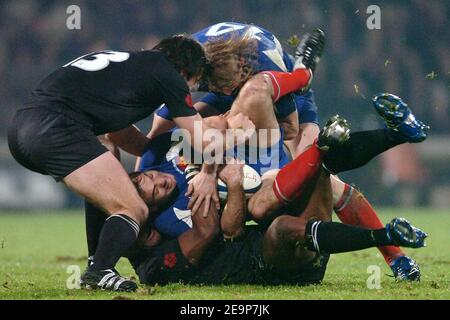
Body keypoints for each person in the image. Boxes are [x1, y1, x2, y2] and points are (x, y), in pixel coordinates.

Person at [148, 22, 429, 279]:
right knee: (269, 192)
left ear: (241, 69)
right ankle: (396, 137)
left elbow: (290, 128)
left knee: (318, 172)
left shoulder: (261, 76)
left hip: (293, 94)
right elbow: (162, 126)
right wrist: (144, 171)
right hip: (245, 111)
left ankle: (396, 257)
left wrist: (222, 155)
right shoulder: (195, 65)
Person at [8, 35, 254, 292]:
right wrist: (239, 134)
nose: (188, 93)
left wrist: (161, 155)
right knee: (134, 207)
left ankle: (97, 261)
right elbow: (205, 143)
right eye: (191, 86)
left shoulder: (131, 66)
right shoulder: (167, 74)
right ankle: (99, 271)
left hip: (24, 130)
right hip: (56, 129)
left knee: (107, 153)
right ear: (183, 73)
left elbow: (118, 135)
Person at [127, 113, 428, 286]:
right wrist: (219, 177)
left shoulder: (163, 161)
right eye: (152, 191)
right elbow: (222, 231)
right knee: (277, 221)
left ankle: (396, 134)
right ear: (145, 218)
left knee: (320, 168)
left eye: (147, 177)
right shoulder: (157, 261)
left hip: (304, 241)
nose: (159, 181)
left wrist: (214, 157)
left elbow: (210, 130)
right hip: (274, 262)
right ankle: (385, 235)